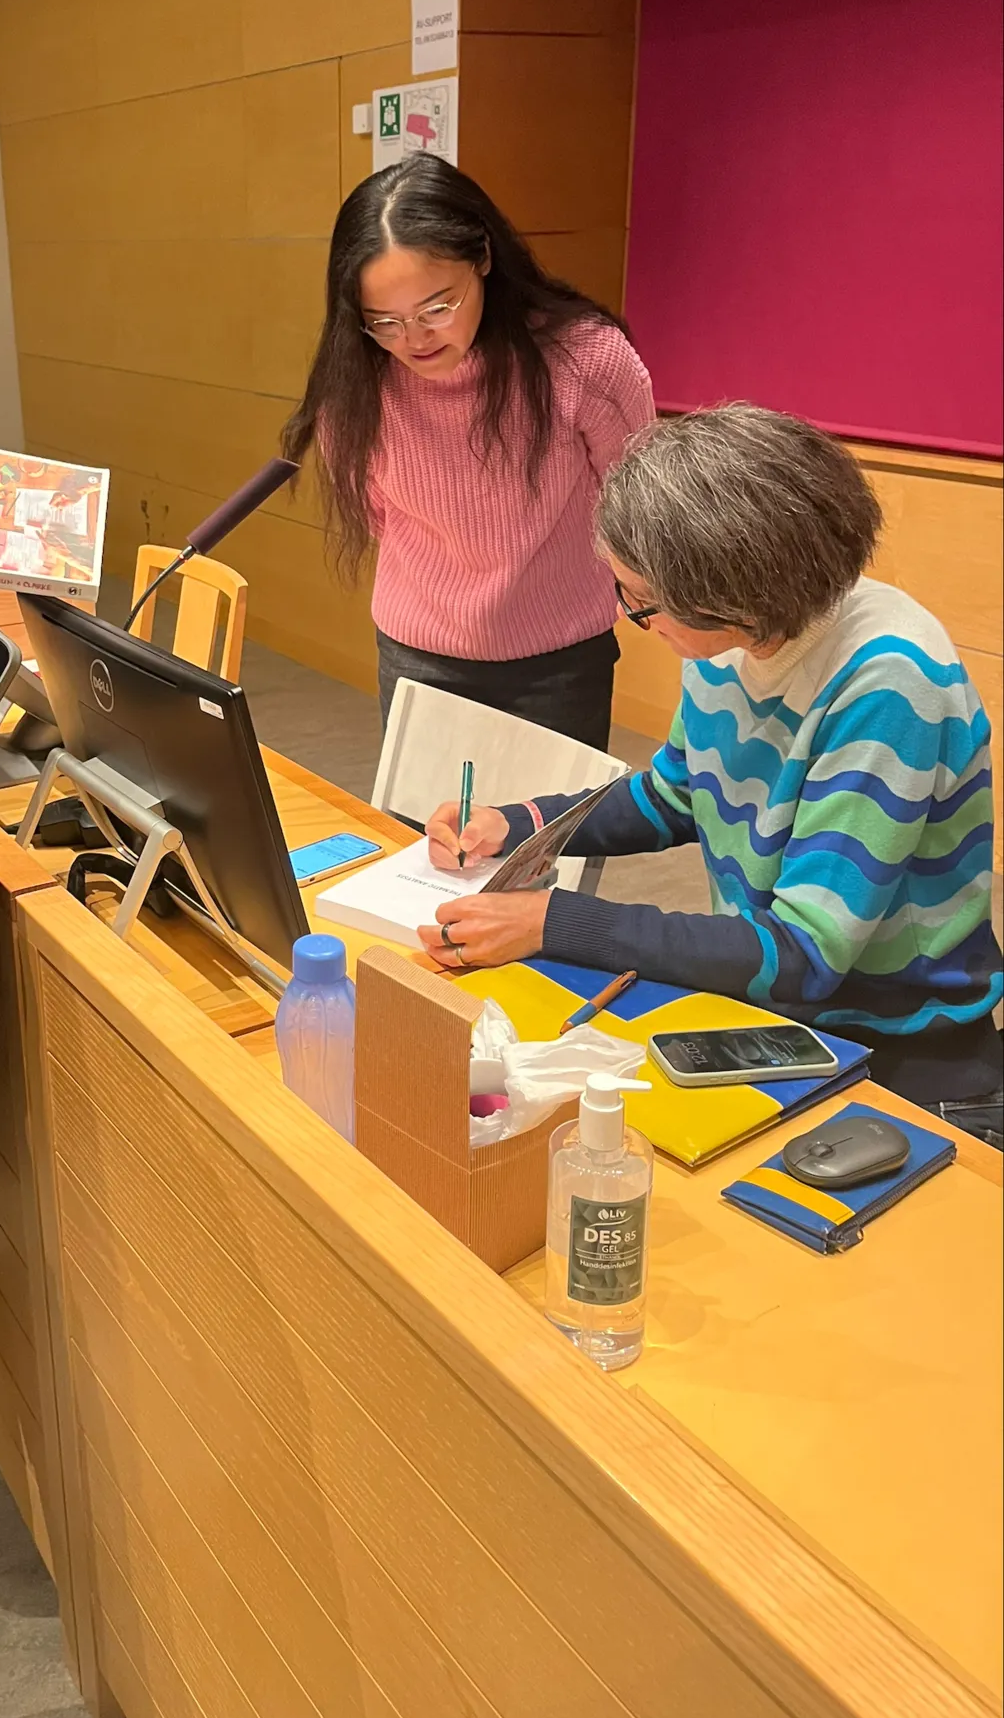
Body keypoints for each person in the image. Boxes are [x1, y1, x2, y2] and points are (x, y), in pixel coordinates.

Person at [419, 405, 1002, 1139]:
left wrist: (552, 921)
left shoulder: (891, 685)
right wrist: (518, 824)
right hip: (771, 1010)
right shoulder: (732, 642)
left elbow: (803, 954)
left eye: (643, 602)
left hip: (902, 1046)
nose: (637, 617)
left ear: (734, 593)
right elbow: (673, 797)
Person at [282, 154, 655, 749]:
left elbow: (638, 503)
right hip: (419, 659)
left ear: (482, 257)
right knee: (424, 840)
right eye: (384, 320)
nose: (414, 340)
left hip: (559, 660)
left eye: (437, 307)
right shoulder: (355, 383)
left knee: (553, 841)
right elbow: (379, 516)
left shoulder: (585, 359)